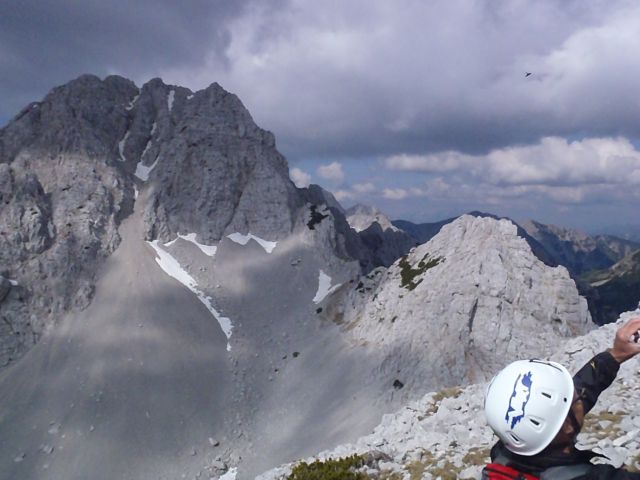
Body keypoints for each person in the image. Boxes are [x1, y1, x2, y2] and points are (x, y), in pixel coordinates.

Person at [483, 317, 640, 479]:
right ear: (567, 427)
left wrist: (614, 356)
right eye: (576, 398)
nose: (580, 395)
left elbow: (562, 407)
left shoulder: (509, 452)